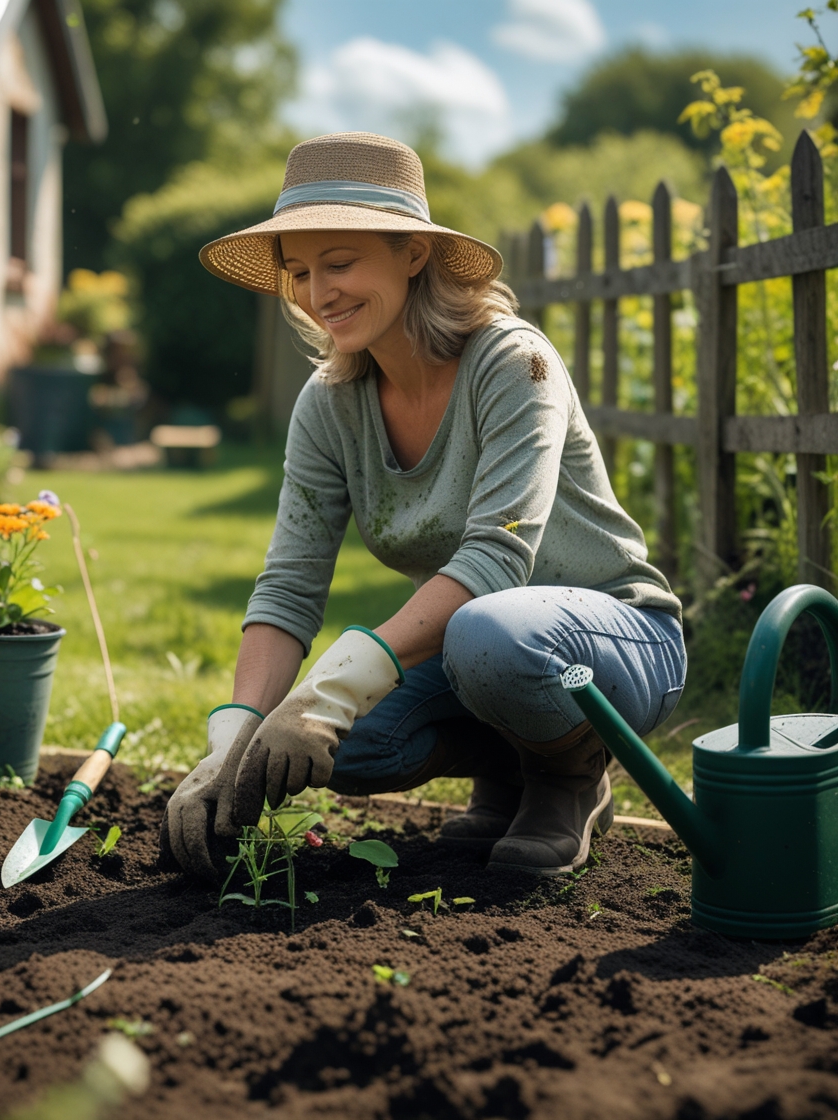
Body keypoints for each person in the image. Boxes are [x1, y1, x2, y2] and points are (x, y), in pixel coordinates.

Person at [159, 132, 685, 881]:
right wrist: (235, 738)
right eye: (301, 273)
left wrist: (333, 686)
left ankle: (570, 777)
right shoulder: (330, 404)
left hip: (616, 642)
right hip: (484, 645)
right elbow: (288, 586)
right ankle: (510, 765)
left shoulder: (513, 362)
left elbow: (499, 560)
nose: (318, 294)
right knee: (331, 744)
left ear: (412, 252)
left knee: (485, 635)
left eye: (340, 263)